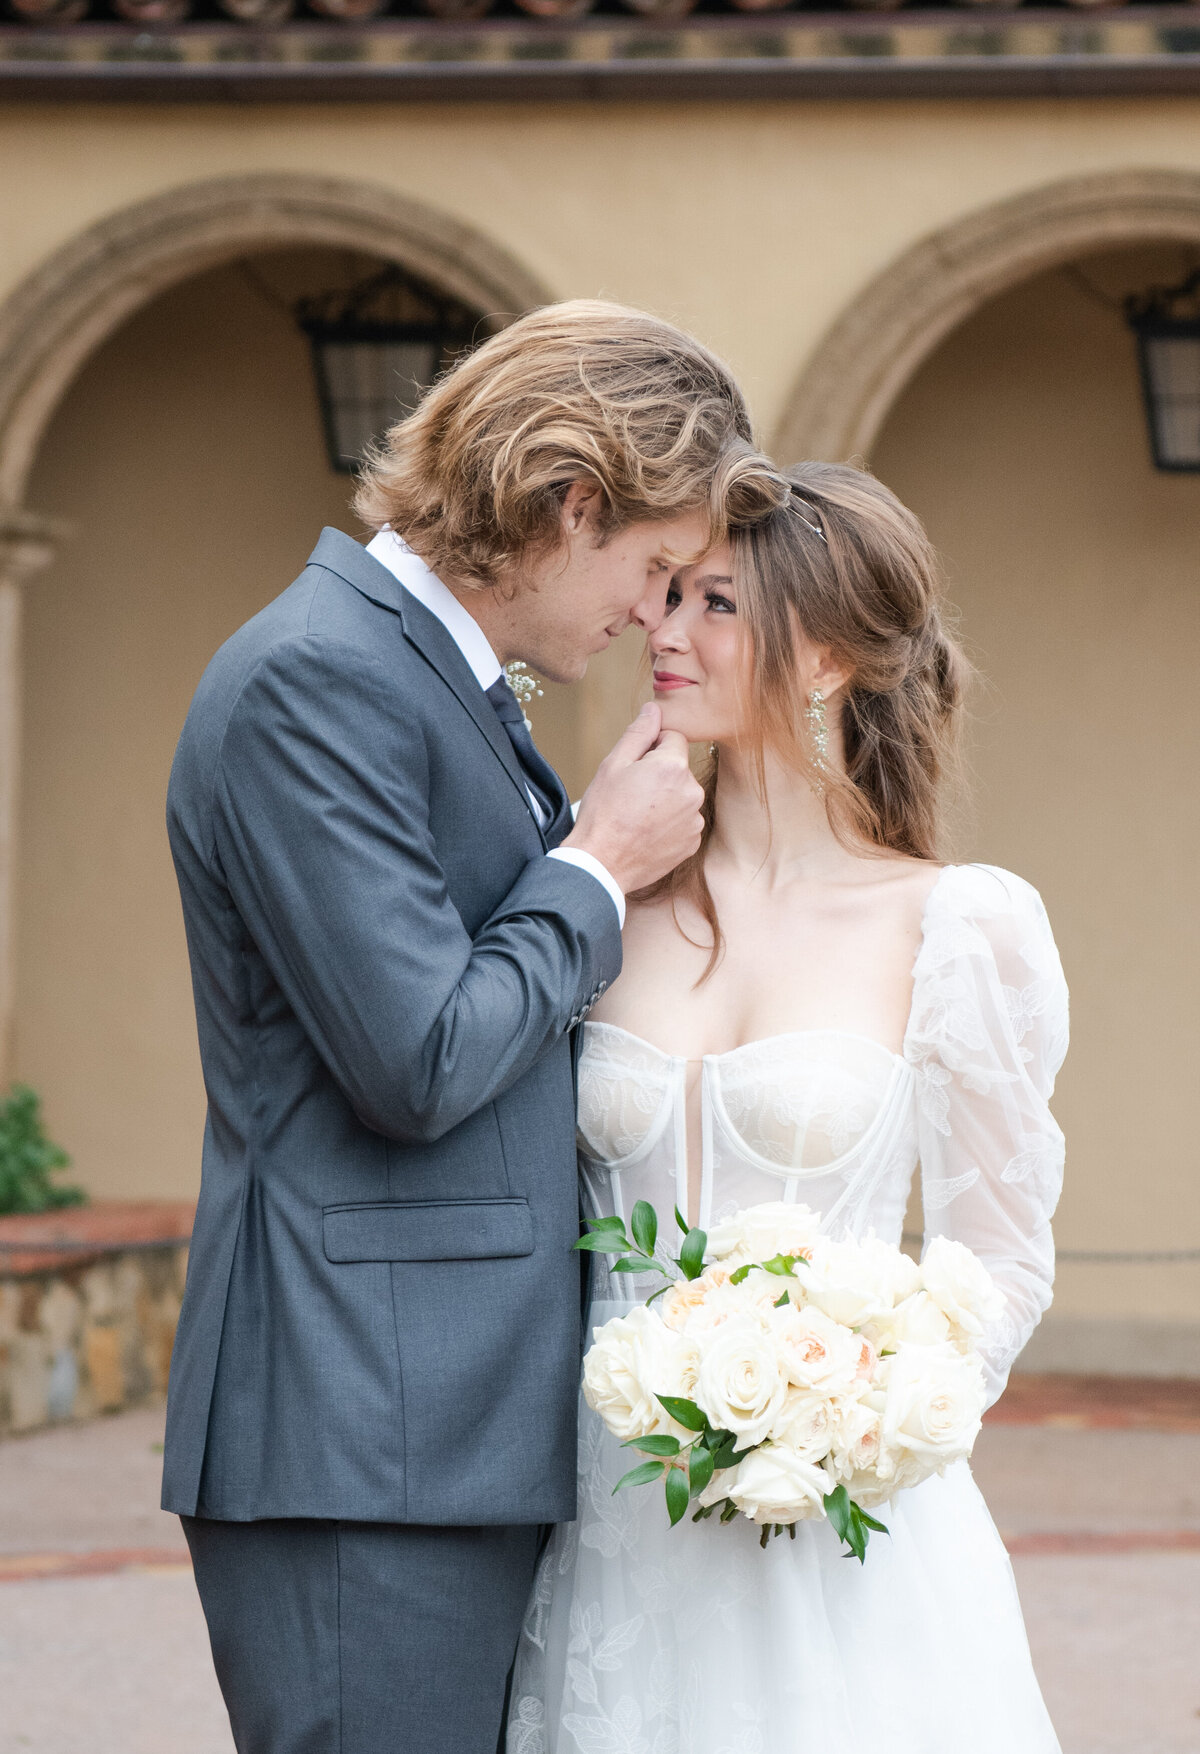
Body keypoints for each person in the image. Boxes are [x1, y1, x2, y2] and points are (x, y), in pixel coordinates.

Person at [161, 299, 786, 1754]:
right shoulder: (320, 676)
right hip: (362, 1436)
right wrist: (595, 866)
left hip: (435, 1427)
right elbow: (419, 1057)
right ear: (572, 505)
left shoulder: (426, 678)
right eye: (650, 565)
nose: (650, 612)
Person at [509, 461, 1069, 1754]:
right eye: (667, 595)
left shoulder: (953, 923)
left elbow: (1000, 1256)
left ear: (821, 659)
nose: (664, 628)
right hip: (609, 1527)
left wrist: (859, 1433)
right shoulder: (602, 897)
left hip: (846, 1542)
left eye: (716, 604)